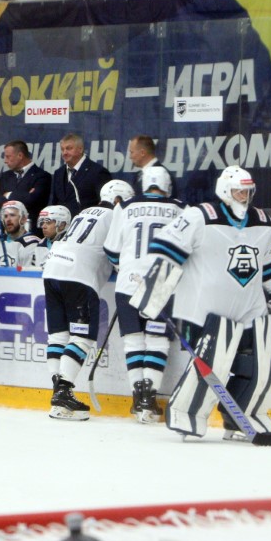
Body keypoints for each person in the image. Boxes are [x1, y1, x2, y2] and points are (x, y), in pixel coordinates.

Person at [131, 165, 271, 442]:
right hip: (204, 311)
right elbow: (166, 252)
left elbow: (265, 267)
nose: (243, 196)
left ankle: (247, 414)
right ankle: (189, 412)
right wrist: (153, 295)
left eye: (247, 191)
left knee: (264, 359)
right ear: (224, 190)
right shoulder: (199, 217)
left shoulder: (263, 222)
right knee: (215, 359)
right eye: (237, 191)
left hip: (250, 308)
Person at [42, 179, 134, 420]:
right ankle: (63, 392)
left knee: (58, 335)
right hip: (78, 275)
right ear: (118, 200)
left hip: (52, 268)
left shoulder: (85, 212)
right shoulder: (116, 215)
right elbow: (116, 252)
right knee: (82, 336)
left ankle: (58, 391)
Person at [103, 166, 185, 423]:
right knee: (157, 340)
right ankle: (149, 399)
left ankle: (138, 400)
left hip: (128, 279)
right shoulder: (180, 208)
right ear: (167, 184)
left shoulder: (125, 206)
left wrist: (127, 267)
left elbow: (111, 250)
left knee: (134, 340)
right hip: (161, 277)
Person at [0, 140, 50, 232]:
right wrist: (25, 195)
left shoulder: (42, 176)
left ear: (20, 156)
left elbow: (33, 200)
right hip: (8, 232)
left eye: (8, 157)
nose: (5, 161)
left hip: (32, 231)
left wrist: (8, 195)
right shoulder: (4, 177)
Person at [50, 132, 112, 217]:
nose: (64, 153)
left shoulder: (97, 172)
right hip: (61, 227)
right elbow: (55, 203)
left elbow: (106, 205)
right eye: (62, 149)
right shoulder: (59, 173)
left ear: (80, 149)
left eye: (69, 148)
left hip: (86, 225)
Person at [0, 200, 43, 269]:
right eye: (5, 216)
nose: (8, 219)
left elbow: (27, 276)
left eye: (12, 215)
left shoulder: (33, 244)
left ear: (23, 219)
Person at [127, 134, 176, 199]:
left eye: (132, 152)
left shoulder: (163, 174)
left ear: (142, 152)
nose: (130, 157)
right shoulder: (138, 176)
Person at [28, 204, 70, 270]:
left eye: (48, 222)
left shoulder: (70, 246)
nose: (43, 227)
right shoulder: (40, 245)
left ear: (62, 225)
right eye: (42, 223)